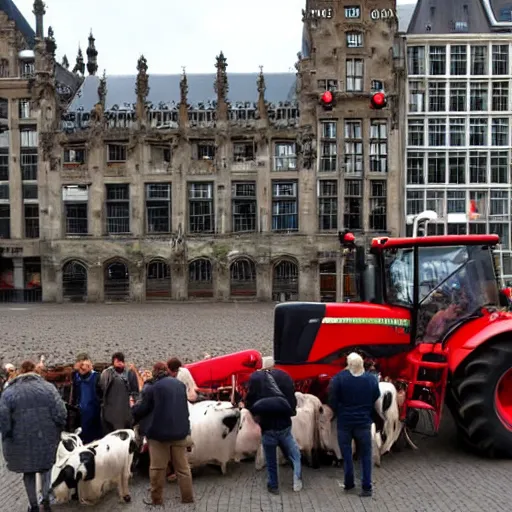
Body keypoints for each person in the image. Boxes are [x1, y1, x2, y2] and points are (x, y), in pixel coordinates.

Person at [0, 360, 67, 512]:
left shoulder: (9, 392)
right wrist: (59, 428)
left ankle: (33, 505)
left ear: (20, 372)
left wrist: (7, 434)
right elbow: (61, 413)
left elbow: (3, 419)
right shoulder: (48, 388)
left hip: (20, 440)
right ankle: (46, 499)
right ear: (35, 372)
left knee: (28, 472)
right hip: (46, 437)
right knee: (46, 469)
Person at [132, 362, 194, 506]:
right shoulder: (179, 385)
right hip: (179, 432)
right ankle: (187, 497)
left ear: (155, 372)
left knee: (157, 469)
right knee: (183, 468)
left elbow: (143, 408)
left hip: (158, 435)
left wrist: (132, 412)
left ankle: (157, 499)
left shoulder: (153, 388)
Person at [328, 352, 381, 498]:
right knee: (366, 455)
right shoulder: (371, 379)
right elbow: (376, 395)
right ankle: (366, 487)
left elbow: (332, 397)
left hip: (345, 422)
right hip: (363, 422)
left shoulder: (339, 379)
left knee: (347, 455)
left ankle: (349, 483)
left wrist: (338, 410)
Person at [244, 368, 302, 494]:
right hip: (284, 427)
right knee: (294, 454)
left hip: (267, 427)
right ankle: (297, 478)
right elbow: (292, 405)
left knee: (271, 460)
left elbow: (250, 403)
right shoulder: (285, 377)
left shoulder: (256, 379)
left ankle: (273, 485)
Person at [99, 352, 139, 433]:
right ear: (113, 362)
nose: (120, 363)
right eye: (117, 361)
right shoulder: (107, 373)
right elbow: (102, 389)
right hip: (110, 410)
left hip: (126, 410)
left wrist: (134, 404)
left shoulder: (130, 373)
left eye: (121, 361)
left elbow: (135, 391)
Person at [71, 354, 103, 444]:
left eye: (85, 366)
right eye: (81, 366)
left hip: (95, 417)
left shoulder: (97, 377)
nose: (83, 368)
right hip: (81, 416)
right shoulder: (76, 377)